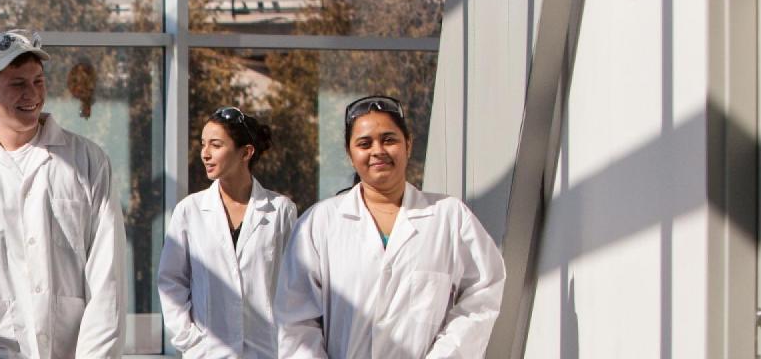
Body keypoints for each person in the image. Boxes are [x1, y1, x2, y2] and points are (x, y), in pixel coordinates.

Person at [0, 29, 128, 358]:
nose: (31, 94)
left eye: (38, 81)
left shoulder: (88, 163)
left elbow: (108, 281)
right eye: (17, 84)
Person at [274, 95, 506, 358]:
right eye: (364, 143)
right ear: (350, 154)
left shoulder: (450, 217)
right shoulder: (319, 223)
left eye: (389, 139)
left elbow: (483, 293)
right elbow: (294, 319)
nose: (378, 151)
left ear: (407, 145)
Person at [157, 107, 298, 357]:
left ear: (246, 152)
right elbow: (171, 281)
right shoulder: (190, 211)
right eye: (203, 144)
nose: (205, 154)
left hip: (265, 350)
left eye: (216, 145)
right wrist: (189, 339)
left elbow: (294, 286)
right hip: (208, 352)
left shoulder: (280, 211)